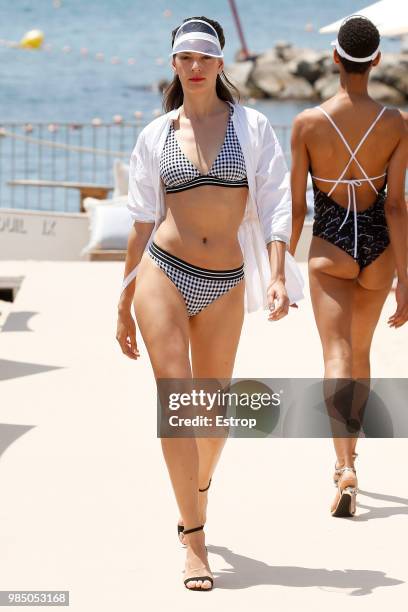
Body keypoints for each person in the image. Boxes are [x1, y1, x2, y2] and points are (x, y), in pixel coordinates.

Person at [116, 16, 303, 591]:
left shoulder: (251, 126)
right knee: (178, 403)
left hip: (225, 277)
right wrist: (122, 300)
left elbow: (276, 202)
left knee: (212, 416)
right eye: (184, 58)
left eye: (204, 57)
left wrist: (275, 274)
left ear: (221, 64)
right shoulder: (157, 134)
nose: (194, 67)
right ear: (174, 65)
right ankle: (192, 537)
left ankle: (197, 492)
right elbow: (143, 219)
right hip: (162, 273)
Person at [290, 16, 408, 517]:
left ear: (335, 58)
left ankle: (343, 466)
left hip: (331, 245)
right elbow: (397, 205)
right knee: (361, 353)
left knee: (335, 355)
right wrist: (406, 279)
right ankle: (353, 455)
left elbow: (296, 207)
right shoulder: (397, 123)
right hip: (380, 250)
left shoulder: (308, 124)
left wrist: (279, 270)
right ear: (376, 60)